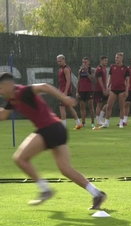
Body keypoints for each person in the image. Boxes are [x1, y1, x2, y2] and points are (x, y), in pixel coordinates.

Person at [0, 72, 107, 208]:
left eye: (0, 88)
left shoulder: (24, 91)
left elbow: (44, 86)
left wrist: (65, 99)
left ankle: (45, 190)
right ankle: (97, 194)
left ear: (8, 85)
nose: (0, 92)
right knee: (65, 169)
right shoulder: (12, 100)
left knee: (20, 158)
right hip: (56, 129)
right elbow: (2, 115)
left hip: (49, 128)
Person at [99, 52, 130, 129]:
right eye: (115, 57)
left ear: (121, 58)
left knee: (122, 106)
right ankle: (106, 122)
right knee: (109, 106)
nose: (116, 59)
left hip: (122, 90)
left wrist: (126, 91)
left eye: (117, 57)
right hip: (113, 89)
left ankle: (121, 123)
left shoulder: (126, 68)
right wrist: (107, 86)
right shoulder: (112, 67)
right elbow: (110, 77)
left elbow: (127, 80)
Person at [57, 54, 82, 129]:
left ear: (64, 60)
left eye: (60, 61)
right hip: (62, 90)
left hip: (65, 91)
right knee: (69, 107)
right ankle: (78, 123)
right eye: (58, 61)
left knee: (62, 107)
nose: (59, 62)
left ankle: (63, 126)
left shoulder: (66, 69)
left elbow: (68, 81)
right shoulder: (61, 69)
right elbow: (61, 82)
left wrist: (65, 91)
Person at [76, 57, 96, 129]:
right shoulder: (80, 71)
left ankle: (93, 122)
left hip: (89, 90)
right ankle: (83, 122)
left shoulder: (92, 70)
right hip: (82, 90)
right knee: (82, 106)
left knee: (90, 105)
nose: (84, 63)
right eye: (83, 62)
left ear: (89, 63)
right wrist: (77, 91)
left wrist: (86, 71)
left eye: (85, 62)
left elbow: (92, 79)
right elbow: (78, 81)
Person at [93, 56, 109, 129]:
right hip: (99, 90)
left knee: (109, 103)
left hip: (104, 89)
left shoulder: (104, 69)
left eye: (107, 60)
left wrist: (106, 88)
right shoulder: (99, 69)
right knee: (99, 104)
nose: (106, 62)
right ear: (101, 60)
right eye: (105, 60)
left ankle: (101, 117)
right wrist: (103, 89)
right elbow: (99, 80)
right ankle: (98, 120)